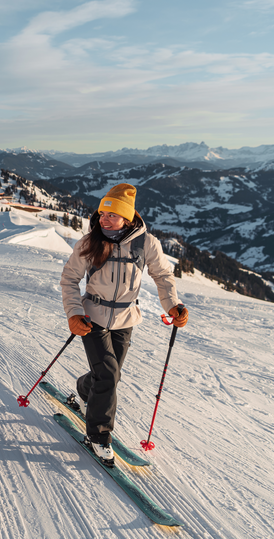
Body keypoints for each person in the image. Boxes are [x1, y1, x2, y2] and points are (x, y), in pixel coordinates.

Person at [60, 183, 188, 466]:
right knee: (107, 374)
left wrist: (173, 305)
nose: (104, 219)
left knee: (110, 375)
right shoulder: (89, 242)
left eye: (111, 215)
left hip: (125, 318)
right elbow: (69, 279)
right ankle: (98, 436)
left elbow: (163, 276)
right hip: (91, 316)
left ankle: (84, 390)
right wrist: (74, 312)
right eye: (102, 214)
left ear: (127, 218)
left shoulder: (146, 244)